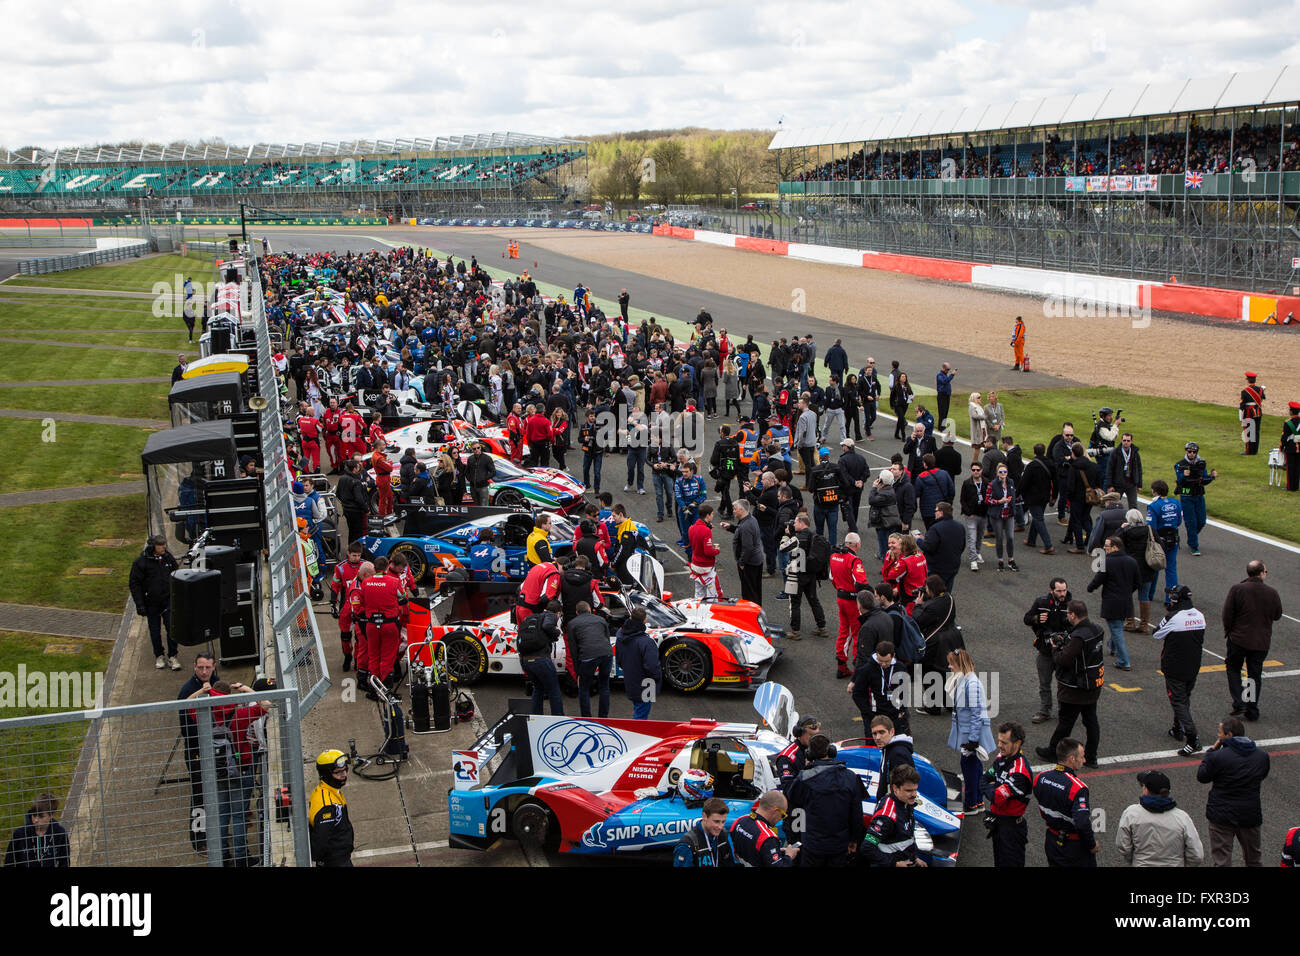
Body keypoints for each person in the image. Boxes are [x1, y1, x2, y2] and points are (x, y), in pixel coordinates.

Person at [1036, 600, 1103, 768]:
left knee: (1065, 722)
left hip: (1075, 688)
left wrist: (1055, 647)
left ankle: (1053, 751)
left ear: (1073, 615)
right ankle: (1092, 756)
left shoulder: (1079, 637)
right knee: (1091, 720)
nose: (1067, 617)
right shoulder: (1097, 630)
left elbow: (1064, 660)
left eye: (1068, 614)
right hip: (1093, 684)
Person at [1197, 715, 1271, 866]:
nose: (1218, 736)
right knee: (1254, 859)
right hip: (1250, 815)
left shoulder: (1218, 757)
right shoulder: (1262, 756)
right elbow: (1261, 775)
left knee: (1222, 861)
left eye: (1219, 733)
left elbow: (1202, 776)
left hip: (1221, 816)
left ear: (1228, 735)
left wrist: (1211, 752)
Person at [786, 734, 868, 866]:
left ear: (809, 754)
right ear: (831, 751)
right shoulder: (850, 777)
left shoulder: (803, 779)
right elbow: (857, 814)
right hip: (839, 846)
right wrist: (854, 840)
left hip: (812, 846)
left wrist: (797, 839)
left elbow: (795, 810)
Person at [1221, 560, 1282, 723]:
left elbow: (1227, 613)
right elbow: (1277, 615)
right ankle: (1251, 708)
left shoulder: (1237, 589)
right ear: (1261, 573)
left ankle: (1239, 701)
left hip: (1239, 639)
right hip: (1261, 642)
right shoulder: (1272, 592)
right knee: (1254, 675)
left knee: (1233, 668)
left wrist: (1229, 632)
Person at [1149, 585, 1207, 755]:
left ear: (1177, 599)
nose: (1170, 599)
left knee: (1179, 701)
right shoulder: (1200, 615)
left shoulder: (1173, 616)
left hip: (1174, 667)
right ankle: (1177, 727)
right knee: (1184, 698)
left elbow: (1156, 634)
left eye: (1172, 596)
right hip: (1194, 666)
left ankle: (1192, 738)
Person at [1116, 769, 1204, 868]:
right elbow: (1197, 855)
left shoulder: (1131, 814)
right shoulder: (1182, 818)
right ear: (1168, 792)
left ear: (1146, 790)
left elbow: (1123, 846)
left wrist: (1135, 860)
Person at [1032, 738, 1098, 867]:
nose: (1084, 760)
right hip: (1074, 847)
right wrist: (1092, 845)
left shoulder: (1040, 778)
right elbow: (1082, 823)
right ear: (1072, 759)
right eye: (1082, 757)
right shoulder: (1078, 788)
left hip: (1051, 841)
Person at [948, 649, 995, 812]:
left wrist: (973, 740)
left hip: (970, 734)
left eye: (952, 664)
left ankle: (971, 803)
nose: (949, 667)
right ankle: (977, 800)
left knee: (969, 767)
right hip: (968, 732)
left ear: (959, 664)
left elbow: (977, 714)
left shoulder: (971, 683)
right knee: (973, 766)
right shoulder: (967, 680)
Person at [981, 721, 1033, 867]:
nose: (999, 745)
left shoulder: (1019, 772)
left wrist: (992, 788)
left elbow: (996, 798)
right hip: (998, 824)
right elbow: (983, 780)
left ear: (1017, 743)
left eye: (1004, 742)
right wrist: (994, 788)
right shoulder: (1001, 758)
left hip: (1012, 830)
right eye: (999, 741)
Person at [1086, 536, 1140, 671]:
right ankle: (1113, 648)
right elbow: (1137, 582)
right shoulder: (1132, 561)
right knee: (1117, 626)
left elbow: (1098, 579)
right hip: (1126, 601)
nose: (1104, 548)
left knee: (1116, 630)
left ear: (1115, 547)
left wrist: (1090, 588)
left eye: (1107, 546)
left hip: (1111, 602)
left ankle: (1124, 661)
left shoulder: (1107, 562)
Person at [1023, 577, 1071, 725]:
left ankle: (1065, 711)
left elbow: (1078, 624)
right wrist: (1037, 618)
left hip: (1064, 651)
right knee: (1044, 683)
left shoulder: (1071, 605)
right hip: (1045, 650)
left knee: (1064, 683)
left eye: (1064, 590)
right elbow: (1027, 619)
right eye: (1059, 591)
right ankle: (1045, 711)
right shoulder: (1041, 602)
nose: (1062, 594)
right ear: (1051, 591)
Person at [130, 533, 181, 671]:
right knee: (154, 631)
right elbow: (134, 584)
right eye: (160, 545)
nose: (164, 546)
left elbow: (176, 576)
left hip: (167, 600)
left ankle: (173, 656)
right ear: (153, 546)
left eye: (164, 544)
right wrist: (140, 604)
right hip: (151, 603)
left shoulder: (168, 558)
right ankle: (159, 655)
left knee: (172, 628)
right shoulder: (141, 563)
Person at [913, 575, 964, 713]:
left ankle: (933, 706)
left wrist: (918, 605)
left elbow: (919, 620)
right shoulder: (949, 598)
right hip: (952, 638)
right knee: (947, 671)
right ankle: (949, 703)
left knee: (928, 672)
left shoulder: (931, 606)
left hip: (936, 642)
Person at [859, 765, 926, 867]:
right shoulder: (886, 816)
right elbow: (867, 848)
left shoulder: (906, 803)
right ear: (895, 788)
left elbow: (906, 837)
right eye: (909, 790)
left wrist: (915, 858)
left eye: (915, 789)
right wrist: (894, 864)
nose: (914, 794)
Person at [829, 532, 872, 677]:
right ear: (858, 544)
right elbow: (861, 583)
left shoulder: (834, 556)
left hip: (840, 598)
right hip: (853, 602)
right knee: (857, 634)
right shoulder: (854, 560)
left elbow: (831, 578)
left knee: (843, 632)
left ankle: (841, 667)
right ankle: (858, 669)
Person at [781, 513, 827, 639]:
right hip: (811, 574)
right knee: (814, 600)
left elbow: (782, 548)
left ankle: (795, 631)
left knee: (795, 603)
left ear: (802, 523)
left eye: (795, 522)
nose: (793, 524)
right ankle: (822, 627)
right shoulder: (814, 536)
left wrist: (786, 536)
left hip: (796, 574)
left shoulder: (797, 539)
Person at [849, 638, 908, 735]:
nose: (884, 664)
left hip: (895, 716)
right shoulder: (867, 669)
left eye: (887, 661)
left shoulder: (900, 667)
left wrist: (902, 710)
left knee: (896, 745)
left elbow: (904, 690)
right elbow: (857, 694)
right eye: (880, 661)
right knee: (873, 747)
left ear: (893, 656)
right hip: (874, 716)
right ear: (876, 655)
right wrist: (868, 714)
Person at [309, 749, 354, 867]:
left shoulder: (329, 791)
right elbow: (320, 841)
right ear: (327, 775)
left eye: (345, 770)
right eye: (338, 772)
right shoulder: (327, 806)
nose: (344, 775)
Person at [518, 599, 564, 715]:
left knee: (538, 688)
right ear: (558, 613)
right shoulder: (551, 615)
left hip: (525, 660)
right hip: (541, 659)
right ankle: (558, 720)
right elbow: (547, 626)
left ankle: (536, 718)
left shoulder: (532, 618)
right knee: (554, 690)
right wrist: (557, 633)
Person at [731, 791, 800, 866]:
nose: (781, 819)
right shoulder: (767, 837)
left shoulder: (739, 821)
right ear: (776, 811)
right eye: (783, 815)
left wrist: (776, 851)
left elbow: (754, 851)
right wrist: (789, 856)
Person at [568, 601, 612, 719]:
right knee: (604, 685)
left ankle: (587, 718)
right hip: (606, 653)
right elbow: (606, 639)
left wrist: (577, 672)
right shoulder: (601, 620)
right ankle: (603, 717)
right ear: (590, 610)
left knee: (584, 688)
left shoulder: (572, 624)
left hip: (587, 655)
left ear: (577, 612)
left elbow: (573, 649)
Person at [616, 606, 661, 719]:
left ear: (630, 617)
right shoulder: (647, 642)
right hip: (646, 683)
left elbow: (619, 659)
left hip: (630, 679)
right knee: (641, 716)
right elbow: (652, 667)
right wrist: (657, 677)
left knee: (638, 708)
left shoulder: (620, 635)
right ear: (645, 621)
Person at [3, 793, 69, 868]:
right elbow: (9, 862)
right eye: (34, 815)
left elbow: (64, 862)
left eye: (41, 816)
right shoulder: (19, 834)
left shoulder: (60, 833)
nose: (35, 820)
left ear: (52, 815)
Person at [1174, 441, 1217, 555]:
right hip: (1186, 495)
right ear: (1186, 451)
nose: (1192, 454)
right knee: (1191, 522)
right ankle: (1194, 545)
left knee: (1202, 521)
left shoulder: (1201, 463)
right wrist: (1184, 475)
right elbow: (1179, 480)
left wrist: (1212, 477)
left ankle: (1191, 536)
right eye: (1190, 452)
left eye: (1194, 452)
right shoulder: (1180, 464)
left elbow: (1204, 480)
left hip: (1199, 495)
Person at [673, 794, 735, 867]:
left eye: (723, 822)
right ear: (704, 816)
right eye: (716, 821)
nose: (720, 827)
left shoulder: (723, 835)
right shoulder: (687, 845)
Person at [721, 499, 764, 605]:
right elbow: (741, 532)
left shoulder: (746, 526)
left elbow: (748, 547)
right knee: (755, 590)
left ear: (741, 509)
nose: (733, 511)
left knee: (749, 593)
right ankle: (757, 613)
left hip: (749, 563)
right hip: (755, 560)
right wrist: (731, 527)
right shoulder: (750, 519)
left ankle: (751, 616)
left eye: (735, 509)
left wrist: (741, 562)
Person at [1145, 479, 1182, 596]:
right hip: (1173, 540)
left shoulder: (1153, 506)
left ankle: (1149, 595)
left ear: (1155, 492)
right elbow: (1179, 521)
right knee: (1171, 569)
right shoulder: (1176, 503)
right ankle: (1171, 598)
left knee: (1154, 567)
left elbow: (1151, 527)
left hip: (1159, 542)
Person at [870, 715, 915, 805]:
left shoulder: (898, 754)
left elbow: (905, 789)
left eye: (881, 732)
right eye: (874, 734)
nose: (877, 737)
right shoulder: (888, 749)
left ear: (892, 732)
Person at [1020, 442, 1056, 553]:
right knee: (1037, 517)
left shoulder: (1031, 466)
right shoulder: (1050, 464)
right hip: (1044, 496)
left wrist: (1017, 494)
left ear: (1034, 452)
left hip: (1033, 497)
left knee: (1038, 519)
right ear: (1044, 451)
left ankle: (1048, 545)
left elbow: (1024, 482)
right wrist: (1054, 495)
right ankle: (1031, 540)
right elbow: (1056, 481)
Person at [984, 461, 1018, 571]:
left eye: (1005, 471)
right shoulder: (992, 484)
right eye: (1001, 471)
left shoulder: (1011, 482)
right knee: (999, 538)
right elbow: (987, 500)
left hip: (1009, 513)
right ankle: (1000, 560)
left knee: (1010, 537)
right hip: (997, 514)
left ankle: (1011, 559)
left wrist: (1011, 502)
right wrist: (999, 501)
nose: (1003, 473)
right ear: (997, 473)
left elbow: (1014, 495)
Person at [773, 716, 821, 792]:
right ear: (800, 734)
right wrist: (806, 770)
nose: (815, 739)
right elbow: (789, 789)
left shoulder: (818, 749)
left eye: (816, 735)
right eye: (811, 735)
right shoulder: (786, 757)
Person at [687, 504, 723, 600]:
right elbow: (708, 551)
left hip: (695, 566)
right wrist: (717, 550)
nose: (713, 516)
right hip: (706, 568)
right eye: (712, 514)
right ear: (707, 515)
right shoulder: (706, 530)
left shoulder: (691, 528)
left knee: (698, 597)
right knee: (714, 597)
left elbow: (694, 543)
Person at [959, 461, 989, 572]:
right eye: (973, 470)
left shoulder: (986, 482)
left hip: (983, 513)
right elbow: (962, 499)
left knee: (980, 536)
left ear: (981, 470)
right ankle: (973, 560)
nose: (975, 472)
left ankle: (977, 552)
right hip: (971, 515)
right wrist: (968, 512)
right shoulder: (967, 483)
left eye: (977, 470)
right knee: (972, 537)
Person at [867, 468, 901, 562]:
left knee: (884, 548)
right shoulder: (890, 490)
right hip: (889, 521)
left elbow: (871, 500)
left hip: (884, 523)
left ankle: (886, 567)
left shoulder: (885, 494)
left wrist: (874, 487)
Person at [809, 446, 842, 543]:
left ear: (819, 457)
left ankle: (820, 550)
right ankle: (833, 551)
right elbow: (844, 483)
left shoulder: (815, 470)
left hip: (820, 504)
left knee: (819, 530)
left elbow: (811, 488)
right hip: (833, 502)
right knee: (833, 530)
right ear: (828, 456)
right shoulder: (836, 467)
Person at [674, 462, 707, 557]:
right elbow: (678, 497)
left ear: (692, 471)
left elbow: (704, 495)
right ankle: (689, 555)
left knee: (698, 532)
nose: (684, 474)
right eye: (683, 471)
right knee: (686, 533)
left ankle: (699, 552)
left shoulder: (699, 479)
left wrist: (694, 504)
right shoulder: (678, 481)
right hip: (683, 510)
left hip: (696, 509)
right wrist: (684, 508)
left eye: (686, 472)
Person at [1107, 432, 1143, 509]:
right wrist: (1109, 485)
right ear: (1121, 441)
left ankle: (1133, 520)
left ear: (1131, 441)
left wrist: (1139, 484)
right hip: (1118, 484)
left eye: (1128, 440)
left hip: (1131, 484)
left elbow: (1139, 469)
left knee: (1133, 506)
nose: (1126, 442)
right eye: (1124, 440)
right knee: (1114, 506)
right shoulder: (1115, 452)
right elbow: (1110, 469)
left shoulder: (1135, 453)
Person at [1239, 371, 1265, 454]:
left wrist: (1241, 414)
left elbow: (1242, 404)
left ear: (1248, 380)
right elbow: (1262, 398)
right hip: (1258, 412)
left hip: (1249, 412)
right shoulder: (1260, 389)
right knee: (1256, 431)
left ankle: (1249, 450)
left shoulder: (1245, 391)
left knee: (1249, 431)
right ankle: (1255, 450)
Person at [793, 398, 818, 484]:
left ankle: (808, 484)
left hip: (805, 444)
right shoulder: (813, 414)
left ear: (804, 404)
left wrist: (799, 444)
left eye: (799, 403)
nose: (798, 405)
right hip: (812, 442)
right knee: (812, 464)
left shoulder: (803, 417)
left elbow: (802, 432)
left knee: (808, 465)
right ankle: (815, 482)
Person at [1280, 401, 1300, 491]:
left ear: (1291, 411)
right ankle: (1296, 486)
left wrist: (1281, 446)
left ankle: (1290, 487)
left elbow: (1284, 437)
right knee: (1297, 467)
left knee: (1290, 467)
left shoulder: (1288, 423)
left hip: (1291, 447)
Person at [889, 372, 913, 441]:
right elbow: (892, 396)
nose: (904, 378)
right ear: (899, 378)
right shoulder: (896, 386)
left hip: (905, 405)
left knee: (900, 419)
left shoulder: (907, 386)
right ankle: (903, 435)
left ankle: (896, 433)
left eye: (905, 377)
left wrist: (910, 400)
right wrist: (892, 405)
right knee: (902, 419)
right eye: (902, 377)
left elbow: (911, 393)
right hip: (898, 405)